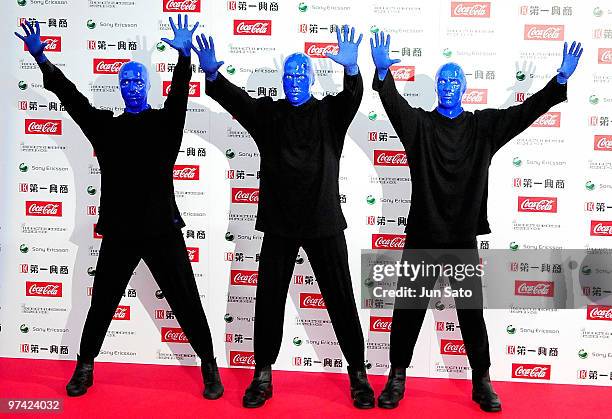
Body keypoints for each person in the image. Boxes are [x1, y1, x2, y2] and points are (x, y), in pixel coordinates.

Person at [369, 31, 582, 411]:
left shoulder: (482, 128)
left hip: (462, 238)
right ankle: (396, 377)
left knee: (471, 316)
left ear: (465, 88)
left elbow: (522, 113)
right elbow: (394, 105)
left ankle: (481, 381)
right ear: (437, 88)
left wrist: (559, 81)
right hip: (422, 236)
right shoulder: (418, 127)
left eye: (456, 81)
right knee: (407, 312)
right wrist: (383, 74)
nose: (449, 86)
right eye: (443, 81)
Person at [14, 15, 224, 400]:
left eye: (137, 81)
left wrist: (181, 57)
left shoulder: (166, 124)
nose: (131, 87)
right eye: (124, 81)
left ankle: (209, 365)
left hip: (163, 230)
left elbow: (180, 93)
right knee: (102, 305)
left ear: (147, 86)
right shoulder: (105, 127)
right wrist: (42, 59)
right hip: (120, 233)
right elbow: (72, 98)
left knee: (187, 301)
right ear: (119, 88)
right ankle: (85, 366)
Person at [192, 25, 375, 409]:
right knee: (268, 301)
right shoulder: (269, 115)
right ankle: (262, 374)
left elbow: (352, 97)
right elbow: (237, 101)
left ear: (311, 79)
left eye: (300, 74)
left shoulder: (329, 113)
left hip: (324, 222)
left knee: (341, 299)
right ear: (282, 81)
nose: (293, 80)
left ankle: (358, 374)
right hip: (279, 223)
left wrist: (353, 68)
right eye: (288, 75)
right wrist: (211, 74)